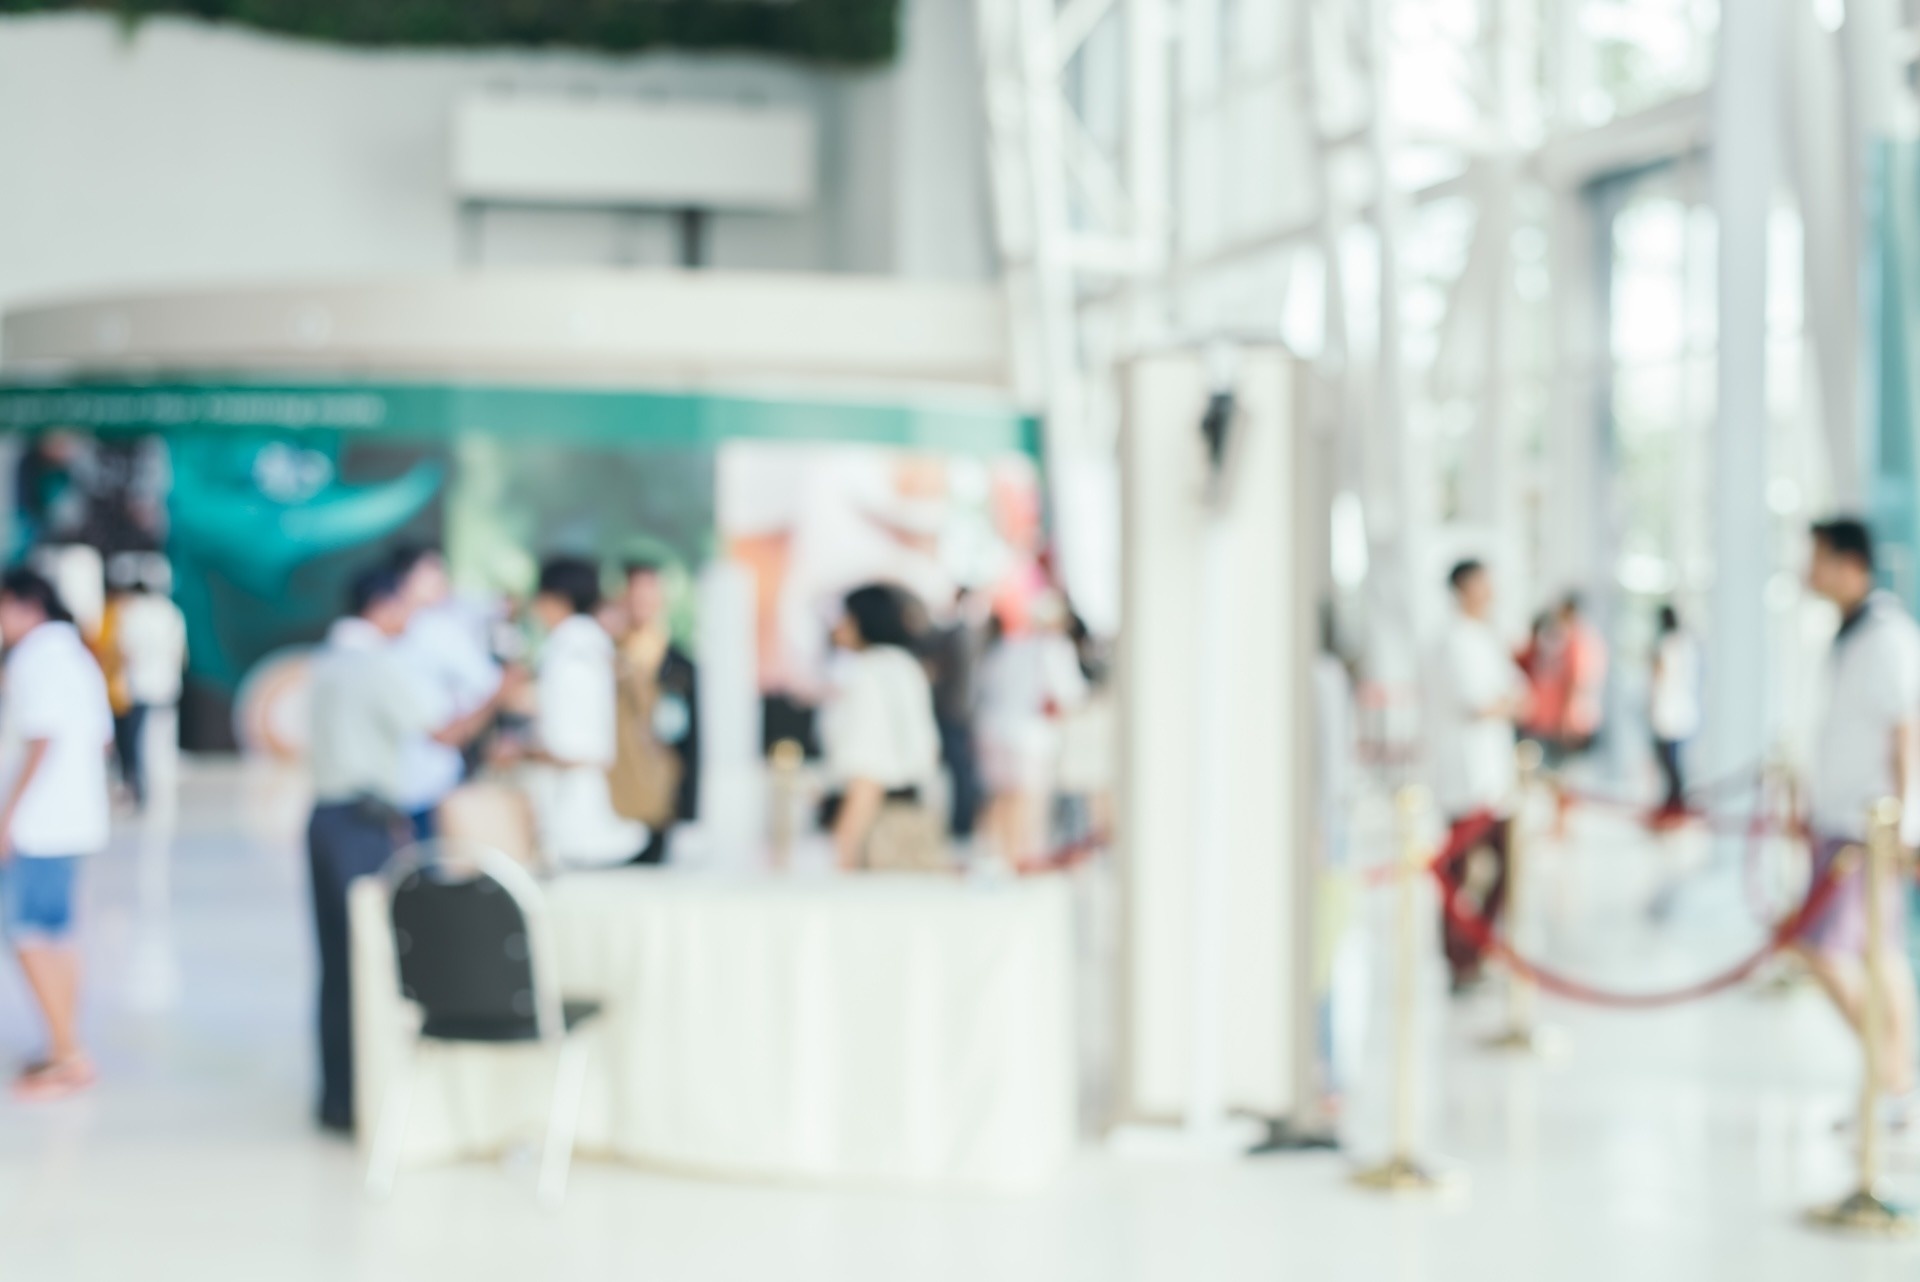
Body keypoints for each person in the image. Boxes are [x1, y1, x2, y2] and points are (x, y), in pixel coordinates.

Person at [306, 566, 505, 1133]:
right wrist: (498, 694)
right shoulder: (376, 665)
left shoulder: (327, 660)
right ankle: (369, 1097)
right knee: (369, 959)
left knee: (336, 963)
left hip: (325, 821)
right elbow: (444, 732)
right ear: (382, 605)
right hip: (363, 827)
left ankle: (339, 1097)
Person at [1797, 517, 1920, 1116]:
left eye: (1818, 558)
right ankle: (1892, 1084)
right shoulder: (1853, 633)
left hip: (1867, 828)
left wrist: (1909, 826)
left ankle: (1893, 1080)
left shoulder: (1888, 636)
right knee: (1879, 952)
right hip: (1844, 822)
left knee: (1826, 949)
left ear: (1850, 565)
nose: (1808, 570)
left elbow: (1908, 730)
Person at [0, 568, 113, 1100]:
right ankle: (64, 1043)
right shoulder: (76, 657)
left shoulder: (34, 659)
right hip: (73, 820)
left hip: (39, 825)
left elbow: (40, 738)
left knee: (27, 933)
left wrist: (7, 817)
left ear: (24, 605)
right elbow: (101, 742)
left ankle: (68, 1055)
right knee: (58, 933)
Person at [1426, 559, 1529, 992]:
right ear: (1465, 588)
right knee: (1460, 872)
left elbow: (1519, 695)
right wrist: (1505, 703)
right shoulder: (1451, 642)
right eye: (1484, 584)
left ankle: (1478, 949)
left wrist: (1506, 702)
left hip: (1492, 779)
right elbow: (1482, 703)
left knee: (1505, 866)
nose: (1491, 593)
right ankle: (1459, 959)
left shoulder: (1485, 637)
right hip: (1464, 778)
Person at [521, 558, 650, 870]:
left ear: (556, 599)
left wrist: (522, 752)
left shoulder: (569, 654)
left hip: (578, 814)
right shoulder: (592, 647)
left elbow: (568, 745)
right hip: (590, 798)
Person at [819, 584, 942, 871]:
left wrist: (845, 845)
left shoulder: (868, 672)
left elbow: (868, 767)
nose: (837, 627)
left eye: (845, 617)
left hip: (872, 824)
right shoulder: (905, 666)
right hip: (908, 814)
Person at [390, 544, 503, 840]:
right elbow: (489, 682)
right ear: (405, 580)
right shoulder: (434, 627)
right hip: (433, 776)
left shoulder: (390, 630)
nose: (442, 580)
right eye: (432, 572)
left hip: (399, 782)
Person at [976, 592, 1088, 869]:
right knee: (1028, 798)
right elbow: (1069, 693)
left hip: (994, 730)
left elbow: (985, 687)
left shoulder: (1007, 647)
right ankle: (1020, 858)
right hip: (1030, 735)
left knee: (1002, 796)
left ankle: (995, 856)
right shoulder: (1055, 648)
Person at [617, 559, 699, 864]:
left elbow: (690, 741)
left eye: (649, 595)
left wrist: (688, 809)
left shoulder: (679, 665)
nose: (642, 603)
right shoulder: (609, 655)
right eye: (635, 594)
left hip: (661, 795)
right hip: (616, 796)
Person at [112, 570, 187, 812]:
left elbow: (125, 651)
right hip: (167, 686)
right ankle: (161, 790)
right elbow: (180, 653)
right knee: (162, 740)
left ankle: (136, 788)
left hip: (139, 687)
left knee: (135, 742)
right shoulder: (171, 612)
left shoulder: (131, 612)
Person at [921, 587, 987, 841]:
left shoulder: (960, 633)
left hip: (956, 711)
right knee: (960, 772)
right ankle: (962, 824)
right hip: (959, 711)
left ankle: (962, 824)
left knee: (960, 772)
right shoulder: (965, 633)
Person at [1648, 604, 1700, 822]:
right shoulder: (1686, 644)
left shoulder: (1665, 644)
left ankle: (1674, 804)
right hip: (1682, 710)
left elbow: (1658, 676)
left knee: (1669, 763)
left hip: (1667, 711)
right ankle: (1674, 802)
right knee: (1675, 762)